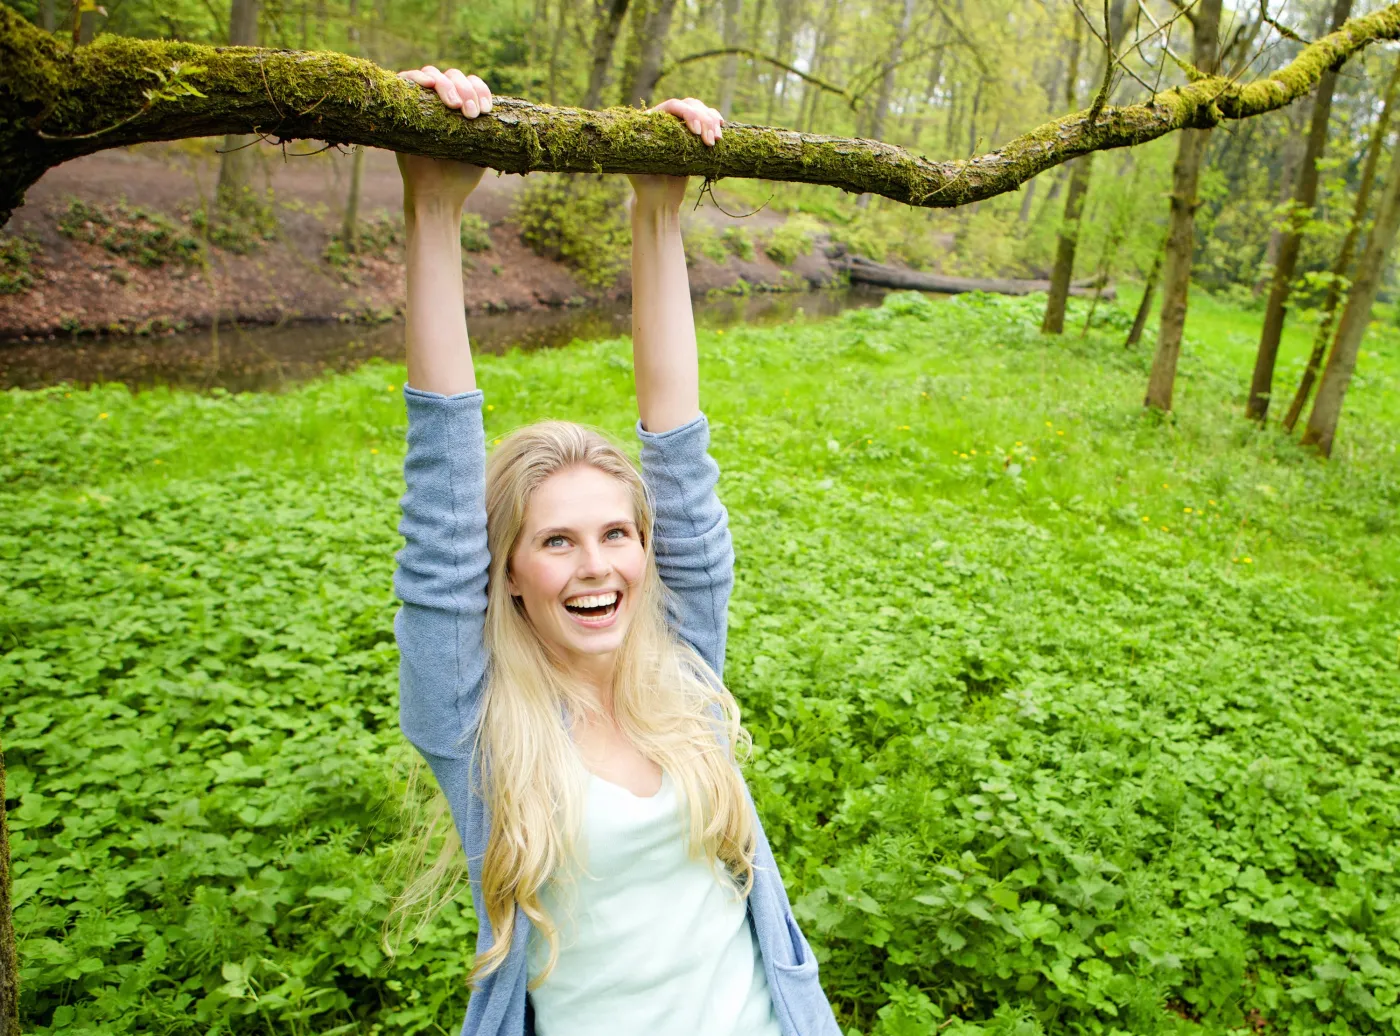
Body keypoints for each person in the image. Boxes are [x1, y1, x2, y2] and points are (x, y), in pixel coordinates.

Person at [390, 65, 840, 1036]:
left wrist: (658, 209)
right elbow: (438, 504)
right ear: (504, 572)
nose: (596, 565)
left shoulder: (677, 663)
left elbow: (677, 451)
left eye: (614, 534)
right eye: (555, 540)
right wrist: (432, 208)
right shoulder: (475, 723)